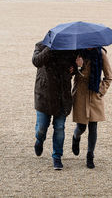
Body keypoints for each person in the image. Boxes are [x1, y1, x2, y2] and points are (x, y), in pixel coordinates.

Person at [32, 41, 83, 170]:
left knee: (59, 128)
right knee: (41, 128)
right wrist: (49, 48)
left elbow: (73, 68)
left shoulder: (70, 49)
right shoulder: (41, 46)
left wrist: (75, 69)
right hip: (44, 95)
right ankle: (39, 140)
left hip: (62, 96)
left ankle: (57, 157)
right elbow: (36, 61)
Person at [71, 47, 112, 169]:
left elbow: (108, 76)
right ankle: (75, 137)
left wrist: (100, 91)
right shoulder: (77, 52)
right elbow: (70, 72)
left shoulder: (101, 53)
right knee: (81, 126)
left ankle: (90, 155)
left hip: (94, 93)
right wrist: (78, 66)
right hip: (81, 93)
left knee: (93, 126)